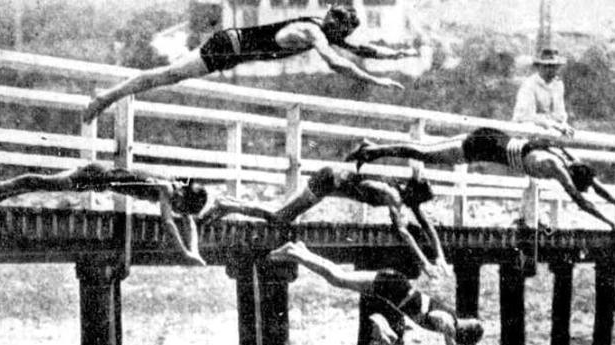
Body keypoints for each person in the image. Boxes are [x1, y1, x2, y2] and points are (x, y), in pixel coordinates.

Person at [83, 5, 414, 123]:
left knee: (169, 76)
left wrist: (394, 56)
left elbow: (361, 48)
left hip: (232, 45)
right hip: (229, 47)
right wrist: (375, 81)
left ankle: (107, 97)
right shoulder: (314, 33)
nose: (345, 39)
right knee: (169, 76)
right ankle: (105, 98)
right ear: (336, 27)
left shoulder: (321, 26)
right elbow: (335, 63)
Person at [199, 166, 452, 278]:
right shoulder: (393, 196)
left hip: (331, 180)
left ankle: (228, 203)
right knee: (279, 218)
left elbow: (425, 224)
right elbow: (403, 233)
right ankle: (227, 204)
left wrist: (438, 256)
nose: (418, 209)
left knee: (280, 218)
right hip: (327, 181)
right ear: (414, 194)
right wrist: (424, 264)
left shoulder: (403, 195)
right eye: (419, 203)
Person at [345, 127, 615, 229]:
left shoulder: (565, 155)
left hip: (492, 139)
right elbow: (581, 201)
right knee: (423, 153)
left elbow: (595, 187)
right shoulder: (555, 167)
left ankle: (371, 150)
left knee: (424, 153)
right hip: (480, 146)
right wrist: (608, 222)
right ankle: (370, 150)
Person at [268, 241, 483, 345]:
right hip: (392, 286)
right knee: (338, 279)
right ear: (464, 334)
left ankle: (301, 250)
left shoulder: (451, 320)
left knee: (339, 277)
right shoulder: (447, 321)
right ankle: (294, 253)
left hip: (393, 287)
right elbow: (439, 320)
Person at [0, 163, 208, 265]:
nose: (179, 212)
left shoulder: (177, 188)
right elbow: (168, 223)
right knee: (43, 183)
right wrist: (184, 253)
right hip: (96, 177)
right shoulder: (165, 188)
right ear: (182, 197)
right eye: (181, 207)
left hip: (99, 177)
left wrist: (195, 252)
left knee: (43, 184)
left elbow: (188, 222)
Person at [512, 48, 574, 137]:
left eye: (554, 66)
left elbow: (560, 114)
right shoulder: (529, 84)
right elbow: (527, 116)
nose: (551, 70)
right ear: (539, 67)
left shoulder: (558, 85)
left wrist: (563, 125)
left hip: (551, 128)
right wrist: (554, 125)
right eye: (547, 66)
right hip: (527, 128)